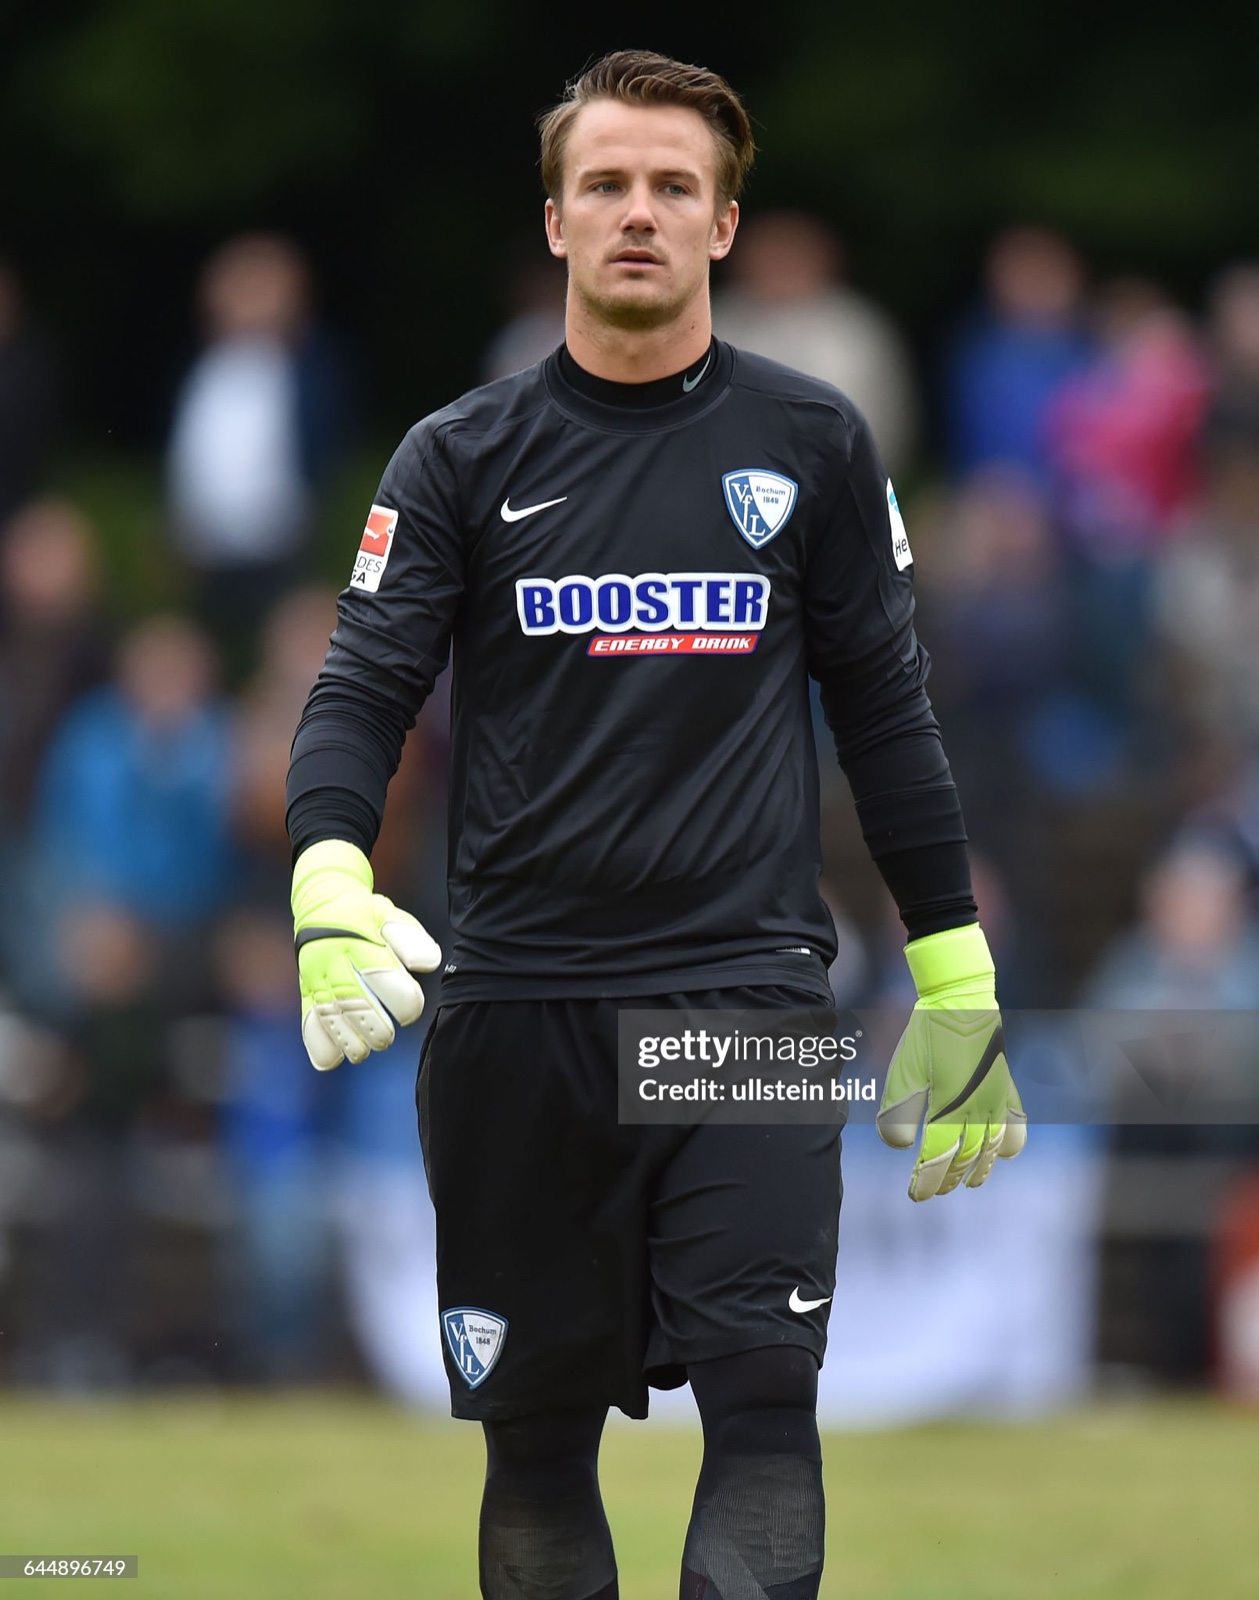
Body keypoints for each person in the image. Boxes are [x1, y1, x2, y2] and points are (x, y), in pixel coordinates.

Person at [286, 50, 1024, 1600]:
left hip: (743, 1002)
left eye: (672, 187)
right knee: (537, 1448)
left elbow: (887, 718)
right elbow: (362, 691)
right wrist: (325, 877)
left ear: (725, 225)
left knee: (766, 1408)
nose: (639, 213)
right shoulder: (457, 459)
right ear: (556, 223)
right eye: (607, 185)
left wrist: (956, 973)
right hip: (516, 1012)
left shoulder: (814, 445)